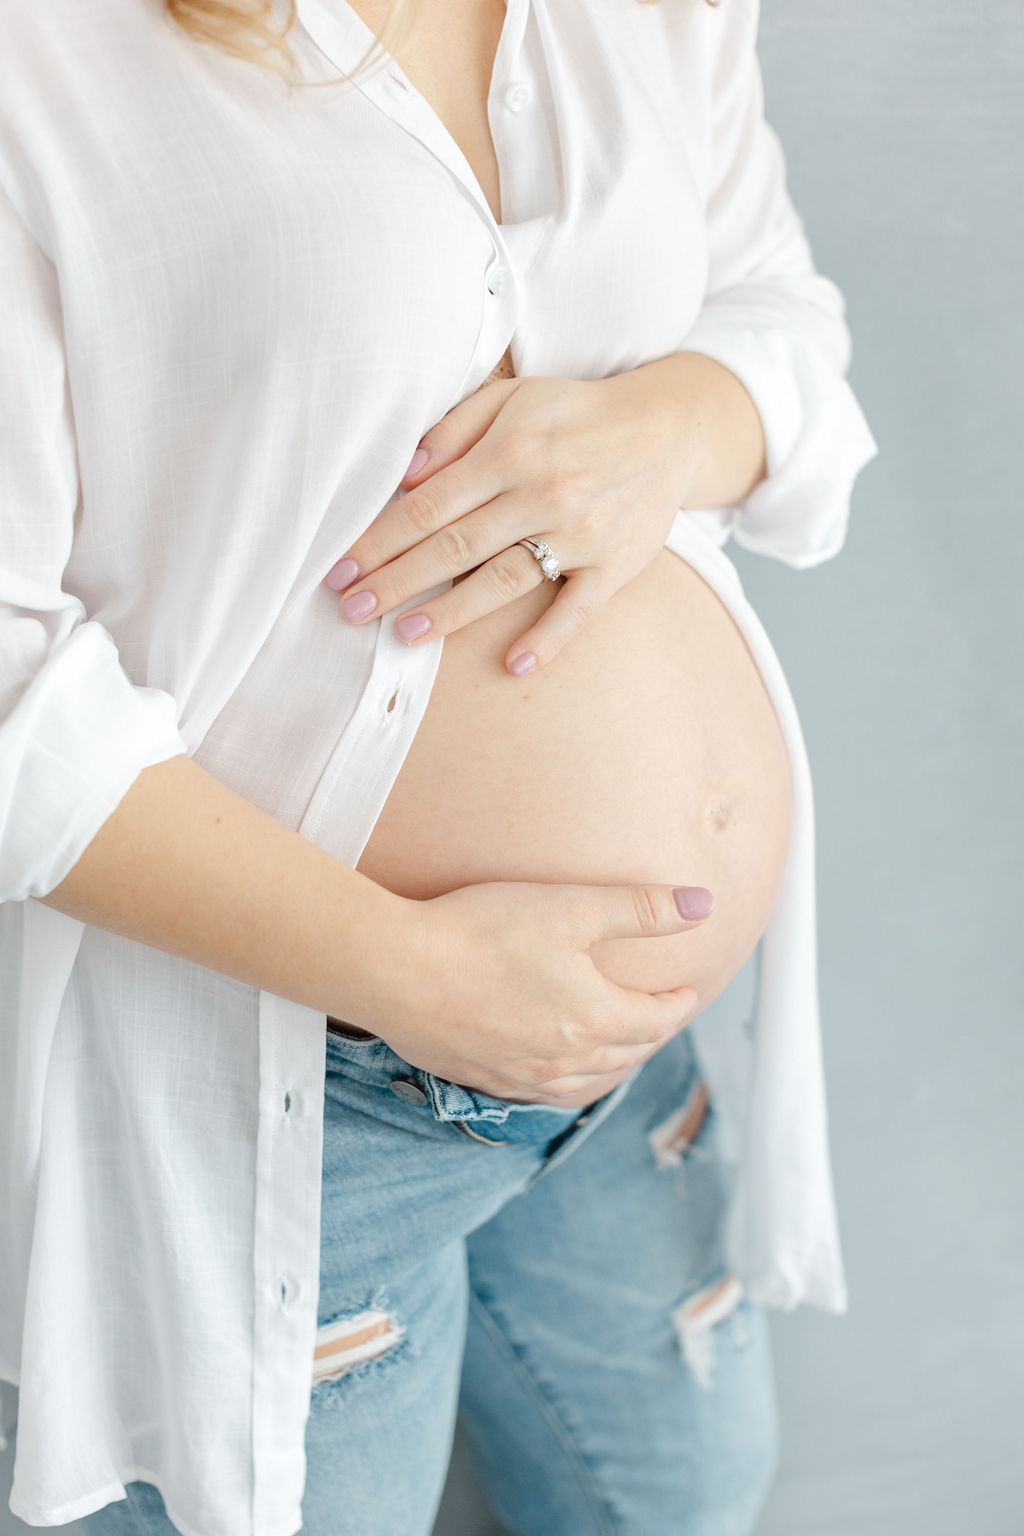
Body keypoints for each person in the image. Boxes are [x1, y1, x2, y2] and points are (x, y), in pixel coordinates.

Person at [0, 0, 878, 1531]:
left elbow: (775, 308)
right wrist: (410, 969)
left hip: (624, 1061)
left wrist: (664, 428)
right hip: (298, 1101)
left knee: (684, 1496)